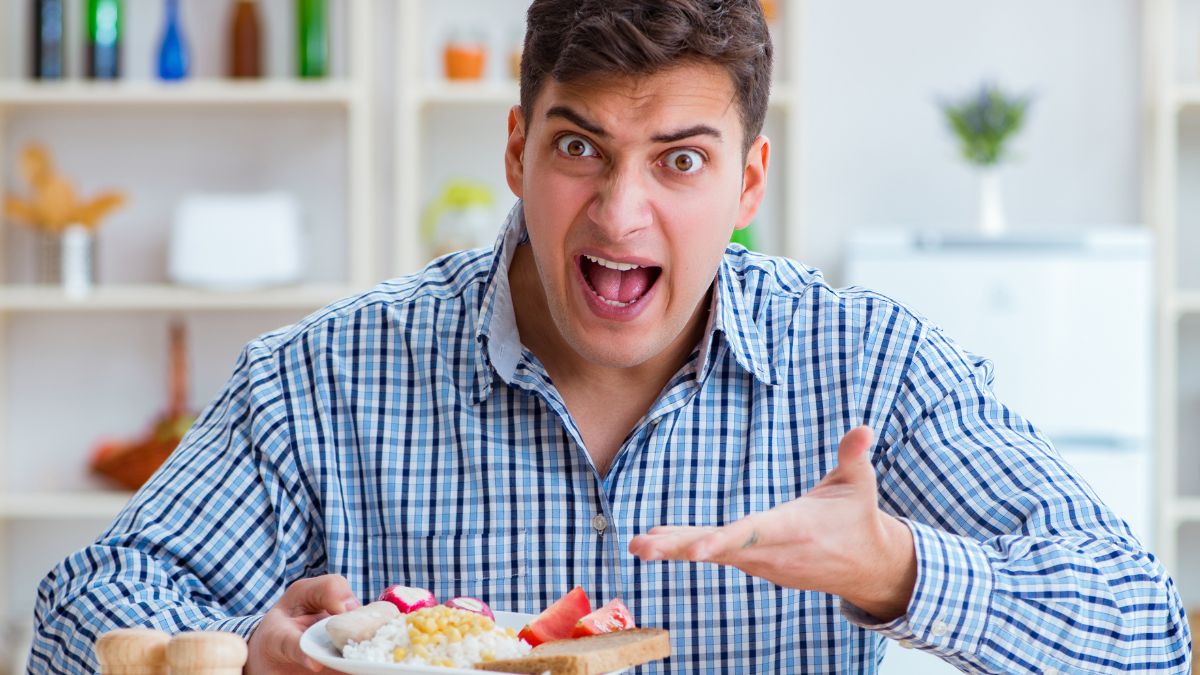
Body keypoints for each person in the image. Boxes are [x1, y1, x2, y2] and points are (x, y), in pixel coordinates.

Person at [29, 0, 1191, 672]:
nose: (622, 212)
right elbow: (81, 615)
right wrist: (244, 659)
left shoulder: (872, 366)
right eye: (580, 147)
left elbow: (1142, 628)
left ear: (748, 183)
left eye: (680, 160)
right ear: (515, 152)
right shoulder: (323, 379)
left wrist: (898, 573)